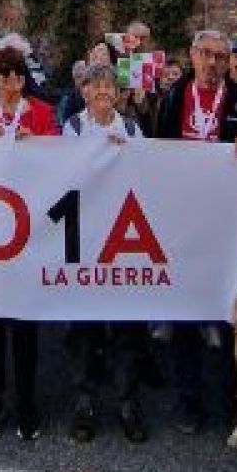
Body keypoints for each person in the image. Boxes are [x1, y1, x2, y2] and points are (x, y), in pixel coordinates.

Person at [156, 28, 237, 432]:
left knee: (229, 315)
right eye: (205, 54)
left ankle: (230, 401)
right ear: (191, 55)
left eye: (220, 57)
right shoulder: (171, 99)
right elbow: (154, 155)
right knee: (185, 317)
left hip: (227, 230)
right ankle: (189, 401)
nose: (212, 63)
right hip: (183, 227)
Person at [0, 45, 59, 440]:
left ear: (25, 79)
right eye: (4, 75)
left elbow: (63, 156)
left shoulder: (41, 112)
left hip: (30, 227)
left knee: (24, 321)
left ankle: (25, 397)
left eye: (17, 75)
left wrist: (37, 142)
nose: (10, 82)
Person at [62, 61, 148, 444]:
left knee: (127, 326)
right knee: (84, 326)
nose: (102, 93)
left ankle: (127, 402)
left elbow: (148, 174)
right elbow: (63, 174)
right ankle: (84, 400)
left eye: (108, 88)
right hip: (85, 235)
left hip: (124, 237)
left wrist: (125, 153)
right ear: (85, 92)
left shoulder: (131, 129)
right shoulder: (74, 128)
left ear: (118, 94)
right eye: (95, 87)